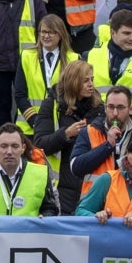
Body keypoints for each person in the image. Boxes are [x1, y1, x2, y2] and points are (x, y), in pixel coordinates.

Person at [32, 60, 102, 215]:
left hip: (92, 186)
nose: (91, 84)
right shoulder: (52, 106)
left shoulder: (99, 108)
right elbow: (39, 144)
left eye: (92, 79)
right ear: (73, 82)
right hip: (62, 187)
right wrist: (65, 134)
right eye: (85, 81)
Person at [70, 84, 132, 198]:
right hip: (93, 205)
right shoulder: (90, 131)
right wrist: (107, 146)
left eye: (120, 107)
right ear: (105, 107)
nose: (115, 113)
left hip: (128, 206)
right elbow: (75, 168)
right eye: (111, 107)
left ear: (130, 109)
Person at [0, 123, 60, 216]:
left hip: (25, 231)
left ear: (23, 148)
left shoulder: (40, 174)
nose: (9, 152)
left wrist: (45, 217)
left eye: (15, 146)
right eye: (4, 146)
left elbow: (50, 209)